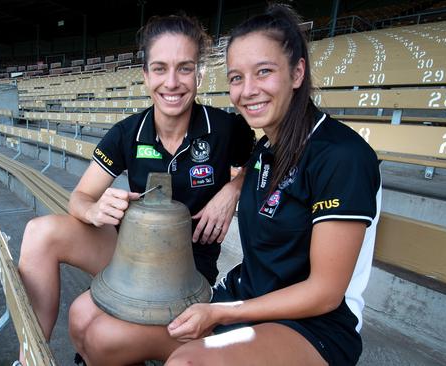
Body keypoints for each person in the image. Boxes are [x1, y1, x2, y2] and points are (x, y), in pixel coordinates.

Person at [69, 4, 381, 366]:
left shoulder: (341, 155)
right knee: (94, 330)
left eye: (263, 72)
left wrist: (222, 313)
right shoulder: (265, 149)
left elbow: (325, 293)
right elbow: (255, 169)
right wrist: (233, 187)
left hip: (312, 327)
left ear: (297, 73)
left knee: (184, 364)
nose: (248, 90)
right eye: (236, 78)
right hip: (243, 299)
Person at [16, 13, 254, 365]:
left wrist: (235, 186)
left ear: (199, 74)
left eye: (184, 68)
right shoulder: (128, 131)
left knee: (88, 326)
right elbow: (79, 198)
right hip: (131, 252)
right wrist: (95, 210)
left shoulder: (223, 129)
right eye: (159, 68)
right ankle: (29, 359)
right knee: (40, 233)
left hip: (188, 267)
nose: (171, 82)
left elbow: (273, 155)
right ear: (145, 76)